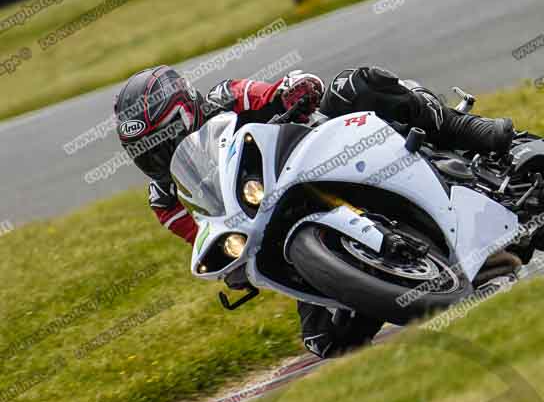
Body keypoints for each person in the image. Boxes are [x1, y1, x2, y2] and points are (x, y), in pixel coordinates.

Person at [113, 64, 515, 358]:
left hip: (328, 155)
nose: (160, 154)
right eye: (146, 151)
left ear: (187, 111)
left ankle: (465, 127)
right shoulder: (165, 200)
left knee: (353, 86)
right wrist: (231, 264)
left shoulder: (226, 98)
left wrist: (294, 88)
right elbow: (207, 228)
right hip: (280, 225)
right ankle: (419, 272)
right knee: (326, 342)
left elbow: (275, 92)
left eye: (164, 137)